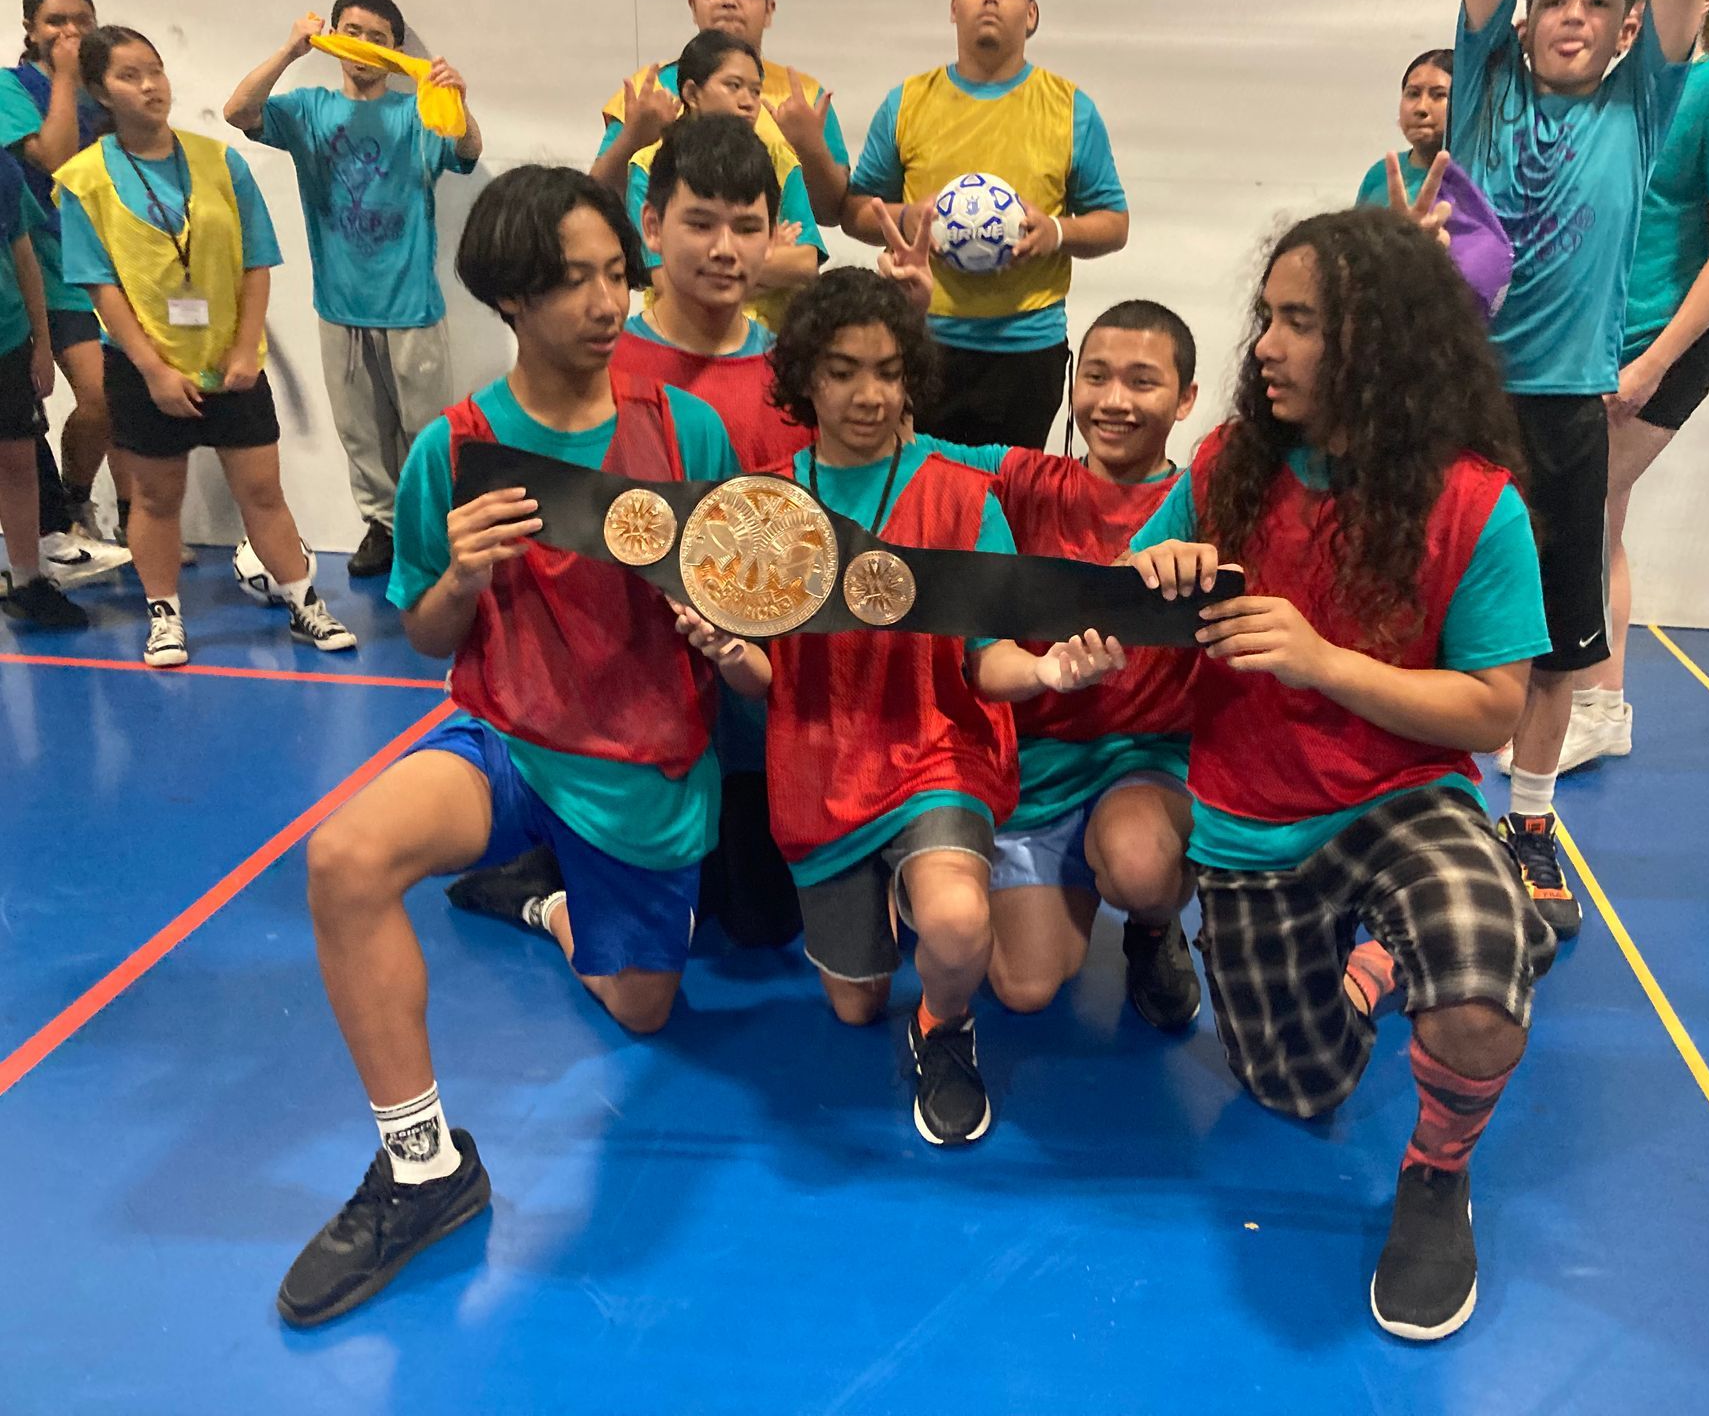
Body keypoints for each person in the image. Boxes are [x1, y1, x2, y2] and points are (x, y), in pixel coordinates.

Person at [281, 164, 746, 1327]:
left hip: (643, 760)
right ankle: (426, 1167)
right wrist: (465, 571)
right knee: (344, 861)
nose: (603, 304)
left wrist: (717, 615)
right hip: (505, 734)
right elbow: (430, 633)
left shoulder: (680, 427)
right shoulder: (459, 445)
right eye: (570, 283)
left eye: (610, 275)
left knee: (641, 1008)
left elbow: (742, 589)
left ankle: (542, 907)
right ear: (509, 300)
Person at [1127, 206, 1554, 1341]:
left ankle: (1434, 1173)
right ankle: (1373, 968)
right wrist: (1155, 568)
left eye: (1299, 322)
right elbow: (1135, 596)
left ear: (1379, 344)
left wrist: (1327, 663)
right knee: (1296, 1090)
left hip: (1399, 797)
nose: (1263, 346)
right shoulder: (1226, 465)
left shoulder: (1473, 501)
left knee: (1479, 985)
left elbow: (1495, 706)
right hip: (1251, 822)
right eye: (1266, 317)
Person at [755, 266, 1124, 1146]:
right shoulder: (765, 503)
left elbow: (985, 659)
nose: (870, 394)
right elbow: (766, 679)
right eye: (845, 370)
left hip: (935, 747)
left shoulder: (963, 497)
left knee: (960, 928)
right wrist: (734, 652)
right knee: (852, 1008)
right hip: (819, 761)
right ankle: (884, 894)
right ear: (807, 376)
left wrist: (1046, 675)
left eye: (889, 372)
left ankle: (946, 1030)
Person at [446, 115, 809, 951]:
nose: (724, 248)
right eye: (699, 222)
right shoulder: (595, 363)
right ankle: (548, 880)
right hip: (616, 724)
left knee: (758, 929)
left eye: (747, 226)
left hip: (747, 706)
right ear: (651, 224)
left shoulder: (799, 371)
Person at [1448, 0, 1708, 941]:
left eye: (1599, 1)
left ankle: (1529, 817)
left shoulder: (1640, 106)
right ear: (1523, 13)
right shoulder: (1483, 85)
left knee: (1557, 639)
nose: (1573, 15)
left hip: (1564, 416)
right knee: (1434, 623)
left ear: (1625, 27)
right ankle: (1419, 805)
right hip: (1460, 410)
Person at [54, 27, 355, 667]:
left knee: (264, 494)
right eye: (129, 76)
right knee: (159, 499)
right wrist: (155, 371)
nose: (149, 86)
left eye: (155, 71)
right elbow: (100, 287)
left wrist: (247, 350)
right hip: (144, 369)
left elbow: (257, 262)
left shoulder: (221, 162)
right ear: (99, 91)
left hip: (231, 365)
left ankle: (304, 600)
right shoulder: (84, 180)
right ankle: (164, 614)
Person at [967, 300, 1205, 1030]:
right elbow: (903, 444)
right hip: (1035, 763)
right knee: (1024, 986)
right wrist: (920, 324)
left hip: (1146, 761)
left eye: (1142, 382)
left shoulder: (1209, 499)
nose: (1113, 402)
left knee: (1139, 867)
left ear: (1186, 399)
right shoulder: (1023, 478)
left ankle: (1154, 930)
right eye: (1095, 377)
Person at [1570, 0, 1709, 766]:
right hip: (1592, 343)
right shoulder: (1613, 93)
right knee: (1596, 513)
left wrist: (1653, 362)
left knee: (1586, 511)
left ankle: (1591, 698)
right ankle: (1599, 697)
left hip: (1663, 344)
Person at [223, 0, 483, 580]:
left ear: (396, 47)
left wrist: (458, 100)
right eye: (351, 31)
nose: (362, 46)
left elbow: (468, 152)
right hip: (339, 306)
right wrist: (291, 49)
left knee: (427, 431)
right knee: (360, 434)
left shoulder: (417, 109)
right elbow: (239, 112)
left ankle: (435, 527)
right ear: (332, 37)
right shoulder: (308, 107)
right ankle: (383, 527)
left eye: (377, 36)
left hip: (411, 305)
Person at [843, 0, 1129, 450]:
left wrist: (1056, 232)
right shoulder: (906, 102)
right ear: (954, 8)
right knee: (917, 499)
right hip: (921, 340)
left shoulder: (1071, 108)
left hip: (1026, 348)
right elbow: (854, 211)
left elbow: (1115, 223)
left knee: (1010, 504)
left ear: (1031, 14)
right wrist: (905, 217)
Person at [0, 0, 130, 578]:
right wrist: (64, 77)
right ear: (31, 29)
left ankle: (95, 508)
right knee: (89, 395)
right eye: (55, 21)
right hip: (42, 272)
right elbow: (52, 157)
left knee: (117, 401)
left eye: (81, 18)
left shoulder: (106, 92)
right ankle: (61, 519)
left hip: (105, 267)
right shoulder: (12, 86)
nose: (70, 31)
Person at [589, 0, 849, 227]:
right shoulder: (646, 91)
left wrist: (809, 148)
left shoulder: (803, 97)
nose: (728, 0)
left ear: (769, 9)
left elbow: (834, 212)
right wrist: (633, 138)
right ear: (693, 5)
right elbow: (595, 202)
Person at [622, 32, 821, 331]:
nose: (748, 103)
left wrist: (700, 274)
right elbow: (664, 280)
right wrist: (765, 256)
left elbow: (805, 264)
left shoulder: (781, 159)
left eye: (755, 91)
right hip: (675, 338)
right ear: (692, 93)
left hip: (767, 344)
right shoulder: (648, 165)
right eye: (734, 86)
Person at [0, 144, 84, 627]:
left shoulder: (3, 170)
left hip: (7, 339)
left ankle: (28, 579)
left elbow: (25, 257)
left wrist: (42, 343)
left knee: (17, 459)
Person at [1356, 49, 1453, 210]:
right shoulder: (1380, 175)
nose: (1421, 108)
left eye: (1438, 95)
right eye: (1413, 94)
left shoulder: (1480, 180)